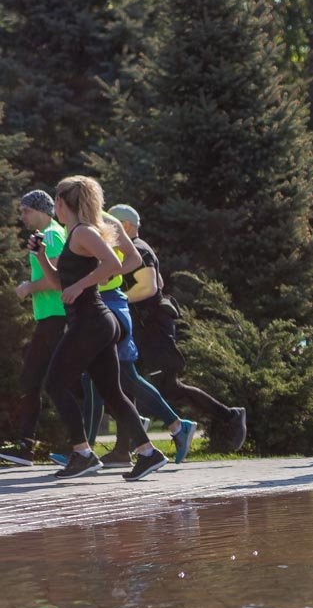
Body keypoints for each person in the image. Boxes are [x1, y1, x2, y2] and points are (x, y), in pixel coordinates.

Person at [38, 176, 167, 480]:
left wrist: (81, 285)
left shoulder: (84, 232)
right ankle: (149, 453)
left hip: (90, 320)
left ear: (61, 202)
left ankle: (82, 453)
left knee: (54, 384)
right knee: (113, 393)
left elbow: (112, 263)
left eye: (56, 199)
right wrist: (42, 256)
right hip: (93, 321)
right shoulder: (74, 234)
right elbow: (60, 283)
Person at [107, 204, 247, 453]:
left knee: (166, 387)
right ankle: (124, 447)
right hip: (144, 327)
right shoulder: (135, 251)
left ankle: (230, 416)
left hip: (154, 329)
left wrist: (118, 298)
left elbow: (150, 286)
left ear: (125, 226)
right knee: (127, 382)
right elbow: (159, 281)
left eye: (111, 226)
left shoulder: (138, 249)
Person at [71, 212, 198, 466]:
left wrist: (101, 276)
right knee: (107, 379)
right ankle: (90, 447)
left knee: (125, 377)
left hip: (110, 305)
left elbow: (144, 272)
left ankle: (168, 428)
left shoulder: (102, 224)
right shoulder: (81, 226)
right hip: (101, 305)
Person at [0, 191, 67, 466]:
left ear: (41, 210)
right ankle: (25, 447)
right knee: (31, 379)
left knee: (64, 383)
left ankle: (79, 446)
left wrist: (28, 288)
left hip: (57, 316)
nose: (22, 216)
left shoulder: (51, 236)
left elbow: (56, 279)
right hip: (48, 317)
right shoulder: (47, 234)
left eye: (25, 210)